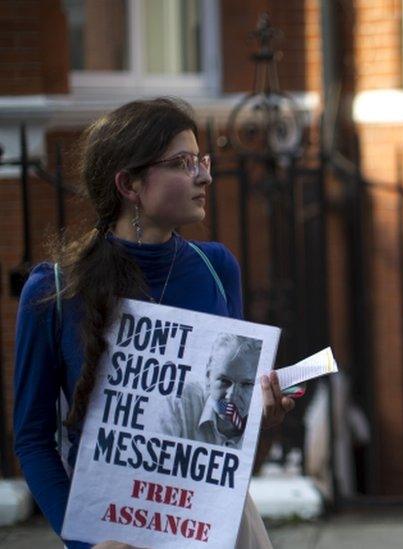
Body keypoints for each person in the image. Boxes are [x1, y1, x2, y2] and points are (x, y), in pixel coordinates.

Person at [13, 98, 295, 549]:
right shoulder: (55, 291)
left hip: (212, 526)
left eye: (201, 160)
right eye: (183, 163)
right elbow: (31, 439)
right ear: (129, 184)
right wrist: (84, 539)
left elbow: (224, 435)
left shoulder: (217, 267)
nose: (204, 175)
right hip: (114, 532)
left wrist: (261, 415)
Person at [162, 333, 262, 449]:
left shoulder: (263, 419)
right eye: (224, 381)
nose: (231, 396)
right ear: (208, 376)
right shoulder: (179, 402)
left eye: (246, 384)